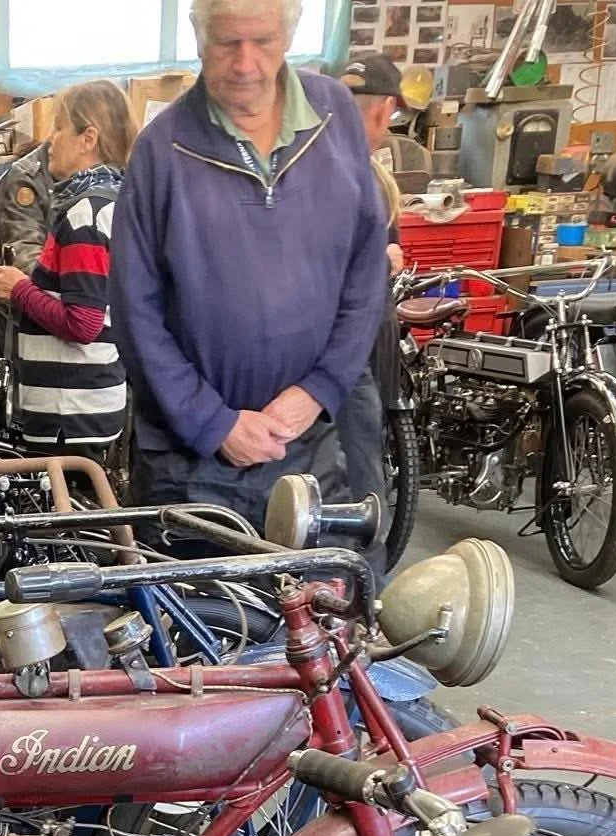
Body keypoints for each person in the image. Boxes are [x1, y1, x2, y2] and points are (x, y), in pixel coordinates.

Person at [109, 0, 390, 532]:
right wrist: (213, 423)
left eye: (261, 42)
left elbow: (364, 268)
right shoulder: (161, 150)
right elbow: (133, 312)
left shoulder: (335, 117)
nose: (244, 64)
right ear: (197, 37)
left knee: (327, 607)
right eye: (226, 43)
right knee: (204, 615)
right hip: (193, 463)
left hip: (313, 444)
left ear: (289, 36)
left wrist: (320, 389)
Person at [0, 82, 137, 452]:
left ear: (88, 138)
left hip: (70, 414)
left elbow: (83, 323)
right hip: (79, 408)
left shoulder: (85, 213)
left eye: (59, 127)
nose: (50, 140)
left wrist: (20, 288)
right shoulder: (111, 201)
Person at [336, 55, 412, 570]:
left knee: (353, 479)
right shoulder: (359, 177)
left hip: (332, 355)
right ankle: (362, 601)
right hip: (348, 354)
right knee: (361, 483)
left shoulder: (309, 169)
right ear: (386, 110)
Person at [0, 140, 52, 365]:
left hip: (29, 302)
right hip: (0, 309)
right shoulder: (25, 179)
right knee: (0, 384)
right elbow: (22, 253)